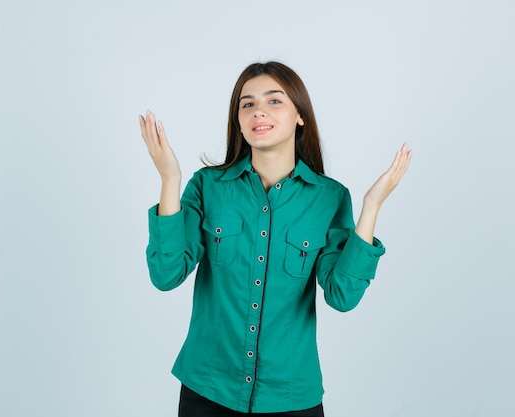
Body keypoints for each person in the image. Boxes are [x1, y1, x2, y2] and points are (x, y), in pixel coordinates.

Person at [140, 61, 412, 417]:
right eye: (247, 104)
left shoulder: (329, 198)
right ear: (238, 120)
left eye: (274, 101)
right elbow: (166, 272)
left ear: (300, 115)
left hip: (290, 398)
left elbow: (342, 296)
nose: (259, 112)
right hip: (208, 391)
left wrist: (371, 206)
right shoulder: (207, 187)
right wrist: (169, 180)